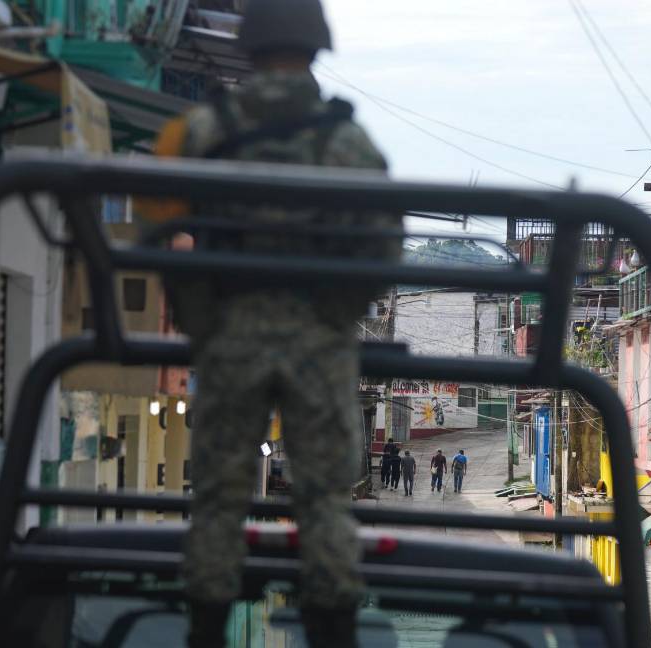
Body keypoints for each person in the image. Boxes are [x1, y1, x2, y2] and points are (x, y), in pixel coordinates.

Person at [139, 0, 401, 645]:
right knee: (325, 498)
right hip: (320, 339)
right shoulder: (347, 140)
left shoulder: (200, 131)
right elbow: (384, 243)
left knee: (218, 498)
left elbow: (157, 226)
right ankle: (332, 629)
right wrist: (335, 319)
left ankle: (205, 629)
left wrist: (204, 321)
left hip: (230, 334)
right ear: (317, 49)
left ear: (249, 47)